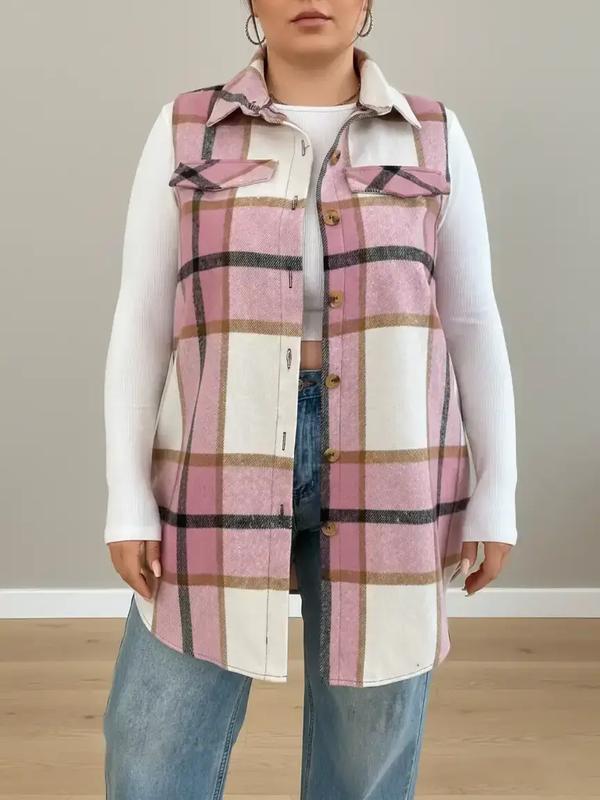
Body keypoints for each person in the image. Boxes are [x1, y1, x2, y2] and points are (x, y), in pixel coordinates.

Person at [101, 1, 518, 797]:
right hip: (218, 455)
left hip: (395, 460)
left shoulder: (432, 134)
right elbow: (143, 319)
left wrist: (497, 492)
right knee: (153, 737)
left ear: (367, 3)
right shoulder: (188, 129)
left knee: (368, 745)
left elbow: (471, 321)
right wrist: (127, 497)